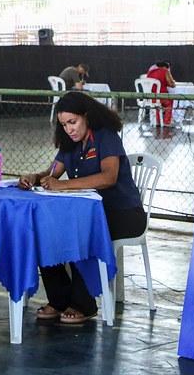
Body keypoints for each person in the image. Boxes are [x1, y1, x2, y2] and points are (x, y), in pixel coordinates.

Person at [19, 91, 145, 325]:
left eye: (73, 122)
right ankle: (59, 299)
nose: (69, 129)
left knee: (78, 232)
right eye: (64, 124)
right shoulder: (69, 144)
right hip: (88, 213)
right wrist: (34, 178)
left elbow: (109, 177)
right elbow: (51, 173)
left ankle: (84, 304)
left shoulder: (106, 136)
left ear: (86, 116)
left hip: (124, 213)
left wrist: (63, 185)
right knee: (45, 231)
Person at [146, 60, 176, 125]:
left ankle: (157, 121)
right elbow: (172, 85)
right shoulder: (165, 71)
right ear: (165, 67)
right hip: (162, 98)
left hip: (151, 98)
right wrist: (171, 82)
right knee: (170, 101)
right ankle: (167, 122)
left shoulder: (150, 72)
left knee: (157, 105)